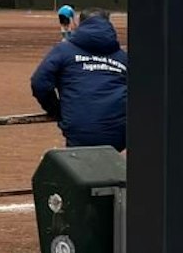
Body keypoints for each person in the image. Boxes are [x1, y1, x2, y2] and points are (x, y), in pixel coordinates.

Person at [31, 9, 128, 152]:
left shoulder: (64, 50)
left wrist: (56, 110)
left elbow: (39, 83)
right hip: (119, 133)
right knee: (106, 166)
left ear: (80, 23)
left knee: (82, 167)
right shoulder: (122, 57)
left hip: (80, 130)